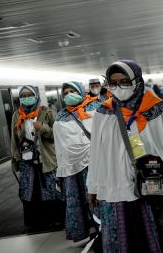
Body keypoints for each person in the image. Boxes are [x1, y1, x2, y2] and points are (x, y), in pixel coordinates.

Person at [86, 59, 163, 252]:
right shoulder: (103, 112)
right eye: (113, 82)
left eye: (125, 81)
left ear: (137, 80)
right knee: (122, 241)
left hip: (151, 186)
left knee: (157, 236)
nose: (119, 87)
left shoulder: (155, 108)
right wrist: (92, 186)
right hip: (114, 188)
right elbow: (96, 153)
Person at [53, 81, 101, 242]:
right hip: (73, 169)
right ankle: (92, 233)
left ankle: (105, 231)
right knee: (81, 201)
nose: (68, 95)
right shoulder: (60, 116)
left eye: (72, 91)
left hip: (96, 163)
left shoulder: (96, 108)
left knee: (100, 199)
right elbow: (59, 147)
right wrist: (60, 172)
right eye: (65, 93)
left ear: (81, 91)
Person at [10, 85, 64, 228]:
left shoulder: (47, 112)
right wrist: (15, 160)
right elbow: (14, 139)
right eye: (23, 96)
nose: (26, 98)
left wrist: (43, 128)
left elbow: (59, 135)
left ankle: (56, 220)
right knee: (29, 192)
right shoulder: (17, 115)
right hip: (26, 162)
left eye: (29, 95)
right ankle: (36, 222)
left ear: (35, 96)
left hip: (47, 159)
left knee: (51, 190)